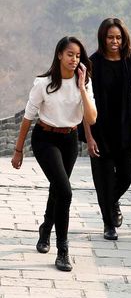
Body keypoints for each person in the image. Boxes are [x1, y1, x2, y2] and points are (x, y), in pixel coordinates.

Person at [11, 36, 97, 271]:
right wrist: (18, 151)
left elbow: (91, 118)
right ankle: (63, 251)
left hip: (70, 140)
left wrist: (81, 88)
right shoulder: (44, 83)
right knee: (65, 191)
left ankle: (46, 227)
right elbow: (28, 117)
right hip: (45, 139)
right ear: (59, 54)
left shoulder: (85, 82)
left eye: (78, 56)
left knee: (58, 188)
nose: (74, 59)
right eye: (70, 54)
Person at [82, 18, 131, 240]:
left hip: (127, 126)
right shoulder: (92, 63)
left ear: (124, 38)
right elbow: (85, 102)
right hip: (99, 128)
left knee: (128, 173)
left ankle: (111, 202)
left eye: (118, 37)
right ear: (103, 38)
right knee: (104, 179)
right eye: (110, 37)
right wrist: (89, 136)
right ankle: (108, 225)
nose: (114, 41)